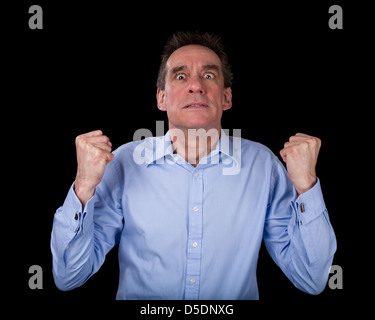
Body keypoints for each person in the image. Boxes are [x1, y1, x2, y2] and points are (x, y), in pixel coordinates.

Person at [51, 31, 336, 299]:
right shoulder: (125, 162)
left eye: (208, 75)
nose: (196, 86)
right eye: (181, 76)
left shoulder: (263, 166)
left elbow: (310, 279)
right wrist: (83, 187)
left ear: (226, 97)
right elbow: (70, 276)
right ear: (161, 97)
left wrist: (306, 185)